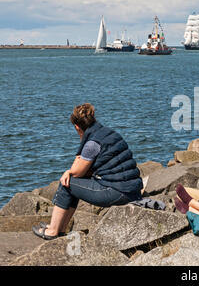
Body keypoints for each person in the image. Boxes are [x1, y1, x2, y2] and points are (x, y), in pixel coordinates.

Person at [32, 103, 143, 240]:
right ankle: (59, 229)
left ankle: (52, 231)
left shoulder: (91, 144)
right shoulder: (108, 132)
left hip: (118, 192)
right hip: (132, 190)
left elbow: (77, 173)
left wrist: (68, 171)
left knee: (67, 183)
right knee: (74, 184)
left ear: (77, 127)